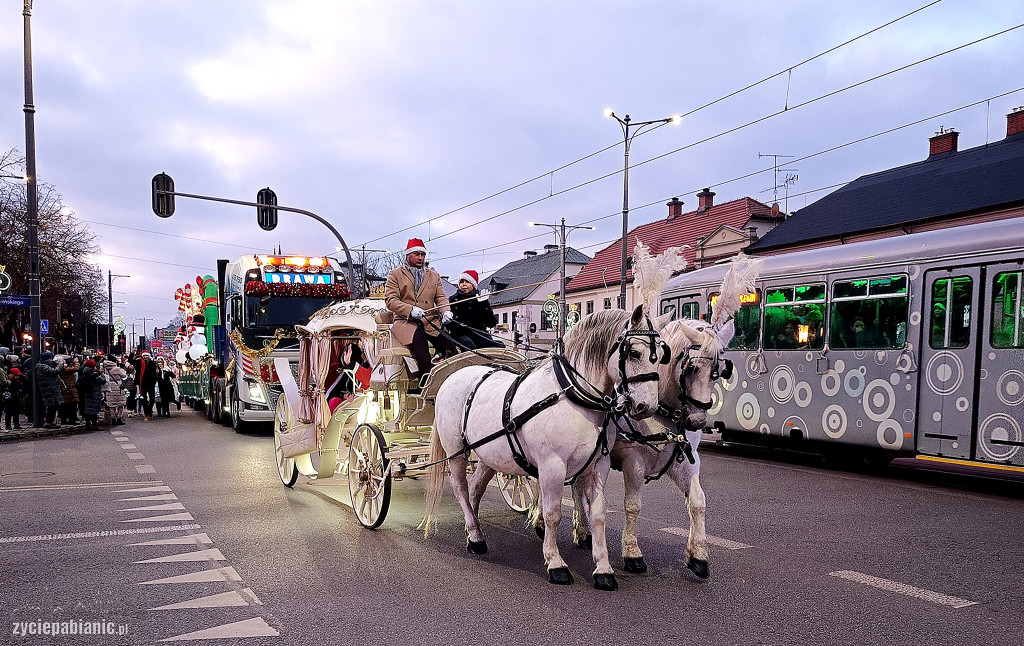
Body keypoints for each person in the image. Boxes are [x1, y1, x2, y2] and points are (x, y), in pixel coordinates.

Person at [383, 238, 456, 385]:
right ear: (408, 255)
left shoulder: (434, 276)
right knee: (420, 346)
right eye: (417, 254)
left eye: (422, 254)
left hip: (429, 321)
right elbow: (390, 300)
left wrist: (445, 311)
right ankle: (428, 383)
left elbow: (441, 298)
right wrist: (410, 310)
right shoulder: (395, 274)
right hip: (406, 322)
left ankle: (454, 378)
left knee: (449, 345)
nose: (420, 258)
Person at [448, 269, 502, 350]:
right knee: (468, 345)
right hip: (460, 335)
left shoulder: (479, 299)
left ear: (473, 285)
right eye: (461, 282)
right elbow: (449, 325)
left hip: (478, 334)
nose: (464, 284)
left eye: (467, 282)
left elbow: (491, 323)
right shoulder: (453, 300)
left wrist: (485, 304)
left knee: (498, 347)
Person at [34, 353, 64, 428]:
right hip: (49, 388)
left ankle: (50, 421)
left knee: (54, 405)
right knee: (51, 405)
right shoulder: (42, 366)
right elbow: (55, 371)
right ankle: (48, 422)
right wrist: (60, 365)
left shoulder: (44, 366)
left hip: (51, 388)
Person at [78, 359, 107, 431]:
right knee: (94, 410)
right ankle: (94, 425)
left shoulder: (85, 372)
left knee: (88, 409)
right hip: (94, 393)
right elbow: (103, 380)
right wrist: (102, 375)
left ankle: (88, 424)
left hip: (87, 393)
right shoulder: (94, 374)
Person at [131, 350, 158, 421]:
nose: (145, 357)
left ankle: (149, 410)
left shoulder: (153, 363)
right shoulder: (139, 362)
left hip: (151, 383)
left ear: (149, 356)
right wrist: (132, 353)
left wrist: (158, 372)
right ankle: (146, 414)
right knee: (144, 399)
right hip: (142, 383)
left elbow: (158, 373)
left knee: (152, 399)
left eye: (147, 355)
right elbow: (131, 361)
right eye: (144, 356)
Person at [103, 358, 128, 425]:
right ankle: (119, 418)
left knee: (111, 404)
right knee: (120, 404)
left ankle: (113, 419)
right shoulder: (117, 369)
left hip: (109, 387)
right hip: (118, 386)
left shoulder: (105, 369)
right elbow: (124, 375)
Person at [58, 357, 81, 425]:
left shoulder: (62, 369)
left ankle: (65, 419)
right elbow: (76, 368)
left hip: (67, 388)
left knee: (66, 405)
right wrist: (76, 362)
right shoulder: (64, 369)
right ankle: (71, 420)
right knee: (71, 405)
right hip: (69, 388)